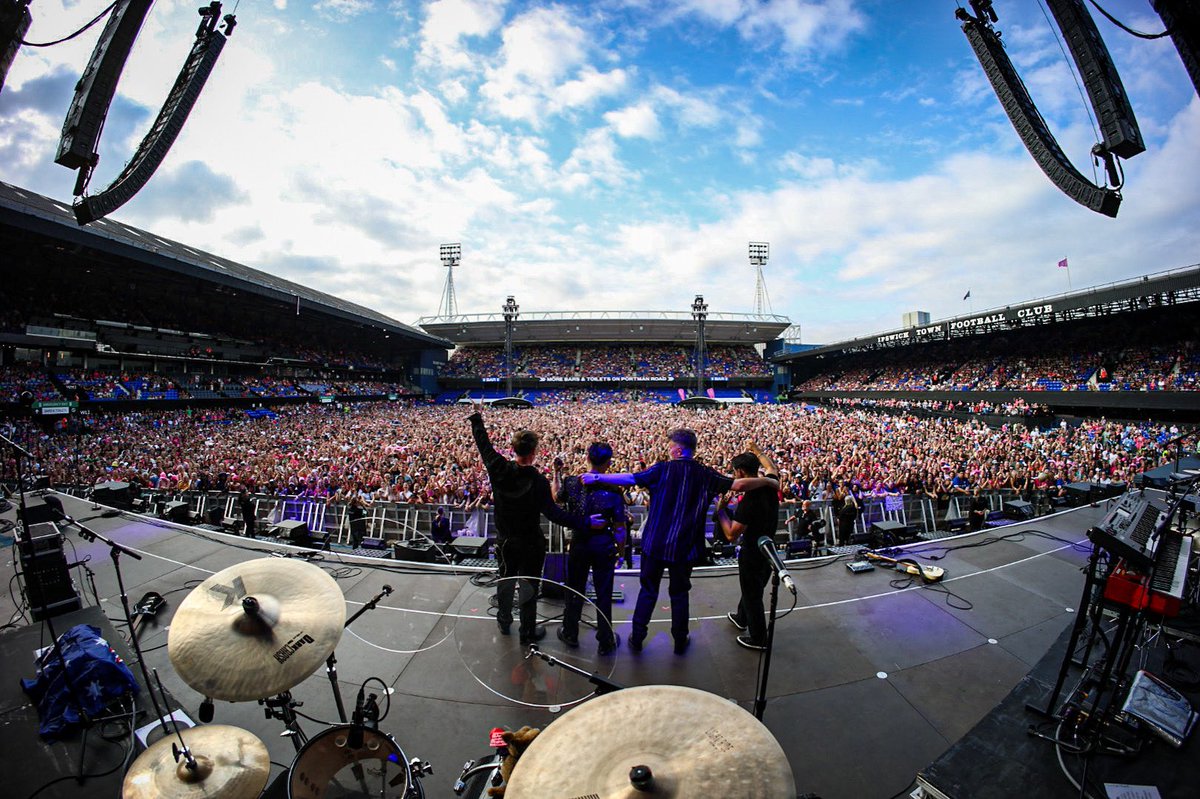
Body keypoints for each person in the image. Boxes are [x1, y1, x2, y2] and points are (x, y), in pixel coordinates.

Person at [583, 429, 777, 655]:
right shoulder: (705, 473)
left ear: (677, 449)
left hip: (654, 543)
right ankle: (680, 640)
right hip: (685, 547)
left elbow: (630, 478)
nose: (667, 450)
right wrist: (767, 482)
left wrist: (598, 477)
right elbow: (739, 485)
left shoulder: (661, 469)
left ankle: (637, 638)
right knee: (680, 593)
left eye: (669, 447)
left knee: (648, 591)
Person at [468, 406, 602, 645]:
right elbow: (555, 514)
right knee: (530, 585)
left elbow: (484, 446)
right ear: (534, 453)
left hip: (506, 540)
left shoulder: (498, 468)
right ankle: (527, 631)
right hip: (531, 543)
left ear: (512, 450)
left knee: (505, 580)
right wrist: (584, 522)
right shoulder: (538, 481)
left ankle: (504, 621)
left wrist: (476, 419)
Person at [555, 442, 625, 656]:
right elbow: (620, 527)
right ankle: (605, 640)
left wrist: (557, 473)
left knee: (574, 590)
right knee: (604, 592)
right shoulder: (613, 489)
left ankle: (570, 632)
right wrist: (621, 552)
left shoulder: (571, 483)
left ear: (587, 457)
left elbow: (556, 496)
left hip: (580, 544)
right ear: (608, 463)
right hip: (603, 545)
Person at [714, 449, 780, 651]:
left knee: (752, 595)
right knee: (754, 587)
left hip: (752, 552)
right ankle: (742, 618)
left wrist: (721, 510)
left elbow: (732, 534)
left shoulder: (749, 500)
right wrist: (757, 449)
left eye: (734, 472)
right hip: (769, 548)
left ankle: (759, 639)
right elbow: (771, 467)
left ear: (741, 472)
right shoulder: (771, 484)